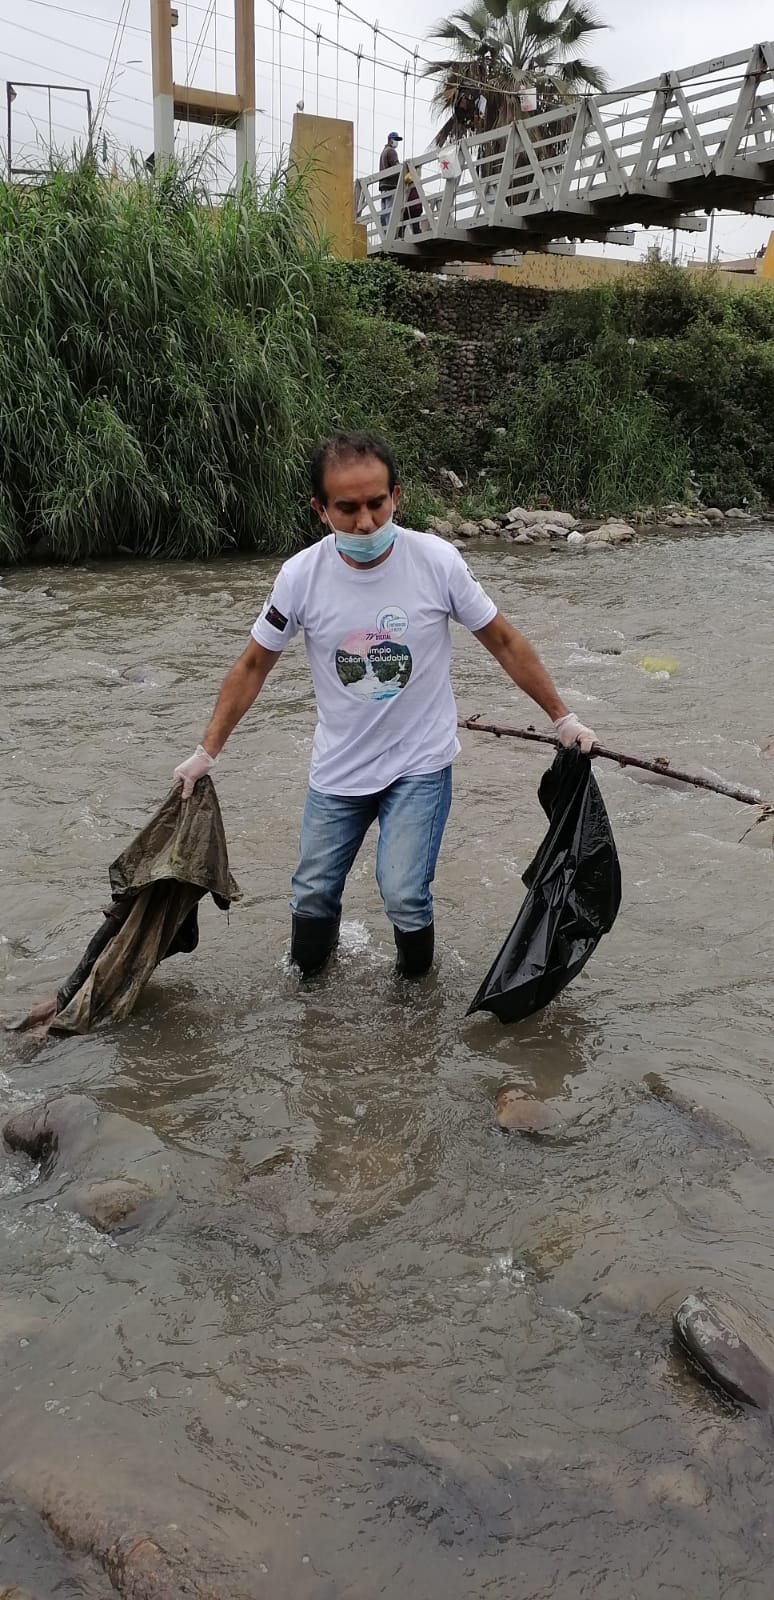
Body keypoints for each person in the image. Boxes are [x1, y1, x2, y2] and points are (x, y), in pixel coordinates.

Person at [173, 432, 597, 980]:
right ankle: (309, 994)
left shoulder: (437, 562)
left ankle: (415, 999)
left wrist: (563, 718)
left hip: (419, 764)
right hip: (339, 766)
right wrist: (206, 752)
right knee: (312, 893)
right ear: (320, 510)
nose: (366, 522)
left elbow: (504, 642)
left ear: (396, 496)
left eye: (377, 503)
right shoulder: (300, 577)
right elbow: (253, 665)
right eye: (347, 509)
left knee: (403, 892)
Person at [378, 131, 401, 232]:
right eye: (396, 140)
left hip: (383, 185)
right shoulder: (391, 151)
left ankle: (384, 231)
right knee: (389, 210)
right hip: (390, 184)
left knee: (384, 210)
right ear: (391, 140)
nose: (397, 142)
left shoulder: (384, 151)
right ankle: (389, 232)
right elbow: (396, 166)